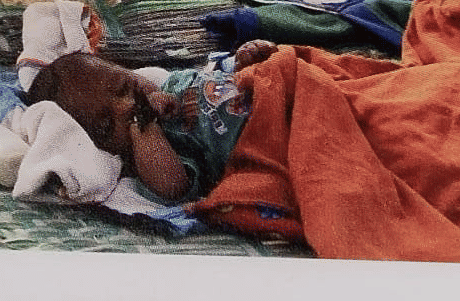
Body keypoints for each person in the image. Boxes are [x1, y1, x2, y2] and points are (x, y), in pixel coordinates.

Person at [25, 40, 277, 204]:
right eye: (107, 125)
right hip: (270, 142)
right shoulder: (156, 154)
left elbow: (221, 73)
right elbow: (173, 188)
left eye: (126, 87)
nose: (126, 106)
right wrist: (143, 123)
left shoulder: (175, 82)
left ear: (130, 71)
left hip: (276, 89)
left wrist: (246, 59)